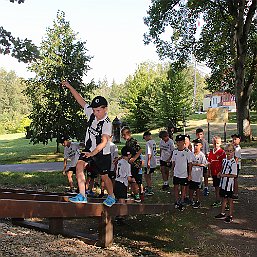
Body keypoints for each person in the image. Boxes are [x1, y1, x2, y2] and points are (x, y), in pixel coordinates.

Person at [61, 81, 115, 207]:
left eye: (98, 111)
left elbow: (104, 142)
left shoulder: (107, 123)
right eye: (94, 110)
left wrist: (92, 153)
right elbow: (81, 100)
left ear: (105, 109)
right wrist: (70, 86)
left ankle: (111, 196)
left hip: (101, 153)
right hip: (89, 149)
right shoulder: (92, 114)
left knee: (104, 177)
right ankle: (82, 195)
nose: (95, 113)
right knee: (79, 166)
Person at [215, 143, 237, 223]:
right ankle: (222, 213)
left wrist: (224, 175)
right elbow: (222, 169)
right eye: (227, 151)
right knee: (223, 198)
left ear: (233, 152)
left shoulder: (233, 162)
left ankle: (230, 215)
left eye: (230, 151)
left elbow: (234, 175)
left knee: (230, 199)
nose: (228, 153)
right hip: (223, 183)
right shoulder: (224, 160)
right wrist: (219, 173)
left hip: (229, 185)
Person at [121, 126, 142, 203]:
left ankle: (137, 195)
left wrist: (134, 158)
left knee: (133, 179)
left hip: (135, 164)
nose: (123, 136)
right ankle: (132, 193)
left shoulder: (133, 141)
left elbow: (140, 150)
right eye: (122, 135)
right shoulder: (127, 142)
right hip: (129, 163)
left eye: (124, 134)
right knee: (129, 178)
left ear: (128, 134)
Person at [171, 134, 192, 210]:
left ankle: (182, 201)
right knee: (176, 187)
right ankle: (176, 201)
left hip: (184, 173)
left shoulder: (187, 152)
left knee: (183, 188)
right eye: (177, 142)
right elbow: (173, 162)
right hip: (176, 173)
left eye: (180, 141)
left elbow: (190, 163)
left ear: (183, 142)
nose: (178, 143)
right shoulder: (175, 151)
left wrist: (189, 174)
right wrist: (172, 171)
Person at [208, 136, 226, 207]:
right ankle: (217, 200)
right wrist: (209, 171)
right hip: (213, 172)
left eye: (218, 143)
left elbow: (224, 163)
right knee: (216, 186)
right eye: (215, 143)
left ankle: (224, 202)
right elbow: (209, 162)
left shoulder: (222, 152)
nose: (216, 144)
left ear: (220, 143)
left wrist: (221, 172)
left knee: (222, 187)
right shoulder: (211, 152)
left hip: (220, 173)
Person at [189, 138, 208, 208]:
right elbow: (189, 164)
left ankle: (198, 201)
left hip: (198, 175)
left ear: (201, 146)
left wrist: (195, 164)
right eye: (194, 145)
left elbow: (204, 164)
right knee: (191, 188)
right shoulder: (191, 154)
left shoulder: (201, 155)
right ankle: (190, 199)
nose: (195, 147)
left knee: (197, 189)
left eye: (197, 145)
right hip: (191, 174)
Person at [195, 128, 210, 196]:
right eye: (198, 134)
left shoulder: (205, 142)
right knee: (198, 175)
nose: (199, 136)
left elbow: (207, 153)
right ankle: (198, 186)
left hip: (204, 161)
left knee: (205, 174)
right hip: (197, 161)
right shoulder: (195, 142)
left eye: (201, 134)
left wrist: (206, 162)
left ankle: (206, 187)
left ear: (203, 134)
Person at [143, 131, 157, 196]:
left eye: (144, 137)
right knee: (148, 175)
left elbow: (149, 153)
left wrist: (148, 162)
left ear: (147, 136)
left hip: (150, 162)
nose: (145, 139)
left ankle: (149, 189)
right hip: (154, 161)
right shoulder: (153, 142)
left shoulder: (148, 143)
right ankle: (149, 186)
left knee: (146, 175)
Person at [231, 134, 241, 200]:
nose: (234, 141)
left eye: (235, 139)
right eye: (233, 139)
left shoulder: (237, 148)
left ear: (239, 139)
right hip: (233, 164)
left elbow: (236, 159)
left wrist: (233, 165)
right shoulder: (233, 147)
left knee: (235, 179)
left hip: (236, 165)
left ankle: (236, 193)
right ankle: (232, 191)